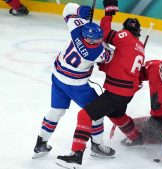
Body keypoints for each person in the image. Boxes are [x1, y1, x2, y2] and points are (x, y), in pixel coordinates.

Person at [56, 0, 145, 168]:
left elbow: (105, 33)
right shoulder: (140, 48)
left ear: (126, 30)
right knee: (117, 116)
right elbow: (123, 66)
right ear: (138, 33)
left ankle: (76, 155)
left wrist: (108, 14)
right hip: (127, 93)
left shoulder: (125, 37)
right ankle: (136, 138)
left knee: (85, 116)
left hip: (116, 92)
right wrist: (105, 64)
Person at [32, 2, 115, 160]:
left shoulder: (76, 29)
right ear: (90, 40)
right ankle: (97, 146)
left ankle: (40, 143)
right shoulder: (95, 53)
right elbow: (111, 54)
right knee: (97, 113)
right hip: (76, 86)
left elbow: (67, 9)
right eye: (96, 40)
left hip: (57, 77)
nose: (98, 42)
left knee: (56, 111)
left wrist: (78, 10)